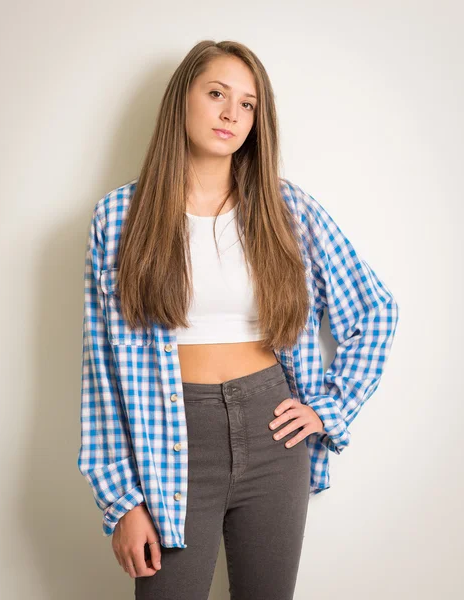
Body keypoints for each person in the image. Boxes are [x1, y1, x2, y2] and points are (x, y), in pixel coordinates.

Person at [77, 39, 399, 600]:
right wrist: (122, 502)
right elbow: (100, 372)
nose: (231, 114)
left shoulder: (287, 210)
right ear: (183, 99)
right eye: (217, 93)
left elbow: (375, 309)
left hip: (273, 430)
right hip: (171, 441)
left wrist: (330, 407)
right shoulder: (119, 217)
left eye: (248, 104)